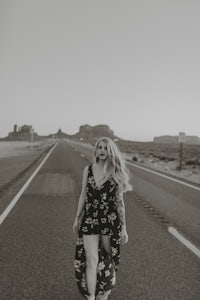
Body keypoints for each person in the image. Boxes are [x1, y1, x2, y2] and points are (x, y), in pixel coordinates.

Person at [73, 137, 132, 300]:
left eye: (106, 148)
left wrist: (124, 227)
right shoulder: (88, 170)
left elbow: (120, 202)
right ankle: (91, 296)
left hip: (109, 221)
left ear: (110, 151)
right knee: (91, 259)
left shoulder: (116, 172)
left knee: (108, 258)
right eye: (99, 147)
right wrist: (77, 217)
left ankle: (104, 290)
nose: (102, 151)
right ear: (96, 150)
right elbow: (83, 194)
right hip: (90, 219)